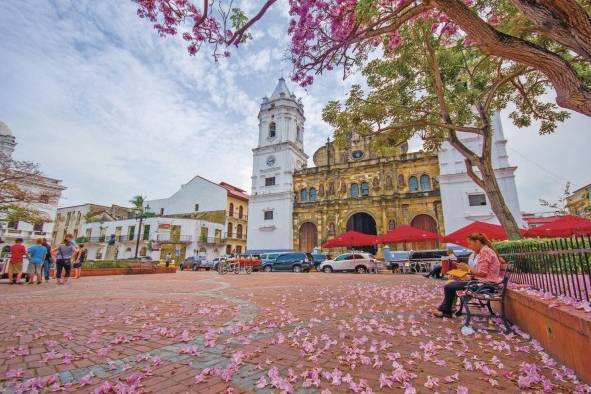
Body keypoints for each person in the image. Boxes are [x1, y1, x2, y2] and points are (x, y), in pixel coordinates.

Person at [432, 233, 502, 318]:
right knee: (451, 283)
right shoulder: (485, 250)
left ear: (477, 242)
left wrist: (467, 269)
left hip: (486, 285)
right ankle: (445, 310)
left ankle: (446, 311)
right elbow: (481, 273)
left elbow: (482, 273)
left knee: (449, 286)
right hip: (484, 283)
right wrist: (465, 273)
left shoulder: (485, 251)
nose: (470, 247)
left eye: (470, 244)